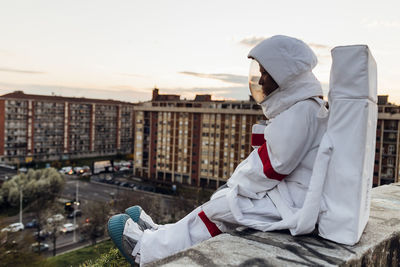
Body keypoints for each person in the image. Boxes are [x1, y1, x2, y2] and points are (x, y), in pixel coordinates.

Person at [107, 35, 328, 266]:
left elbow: (272, 166)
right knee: (219, 205)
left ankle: (147, 251)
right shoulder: (306, 108)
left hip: (289, 204)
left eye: (265, 73)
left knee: (221, 207)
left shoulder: (301, 112)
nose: (261, 81)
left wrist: (237, 185)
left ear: (285, 74)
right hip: (289, 197)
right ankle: (161, 235)